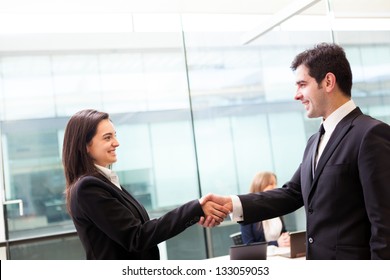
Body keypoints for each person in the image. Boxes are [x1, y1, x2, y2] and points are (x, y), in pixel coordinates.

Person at [203, 43, 390, 259]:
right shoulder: (314, 141)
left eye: (302, 84)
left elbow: (385, 223)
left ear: (328, 81)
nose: (296, 95)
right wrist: (231, 203)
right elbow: (291, 194)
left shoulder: (371, 134)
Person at [62, 109, 229, 260]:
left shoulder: (105, 182)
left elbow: (142, 229)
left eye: (115, 135)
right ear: (85, 146)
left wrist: (195, 212)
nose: (116, 142)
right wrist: (194, 209)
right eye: (107, 137)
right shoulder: (88, 188)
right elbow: (137, 237)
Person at [240, 172, 290, 247]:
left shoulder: (276, 208)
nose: (275, 187)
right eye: (271, 184)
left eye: (275, 184)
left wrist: (286, 237)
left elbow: (283, 231)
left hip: (281, 253)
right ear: (259, 186)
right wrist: (276, 243)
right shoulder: (247, 213)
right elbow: (249, 245)